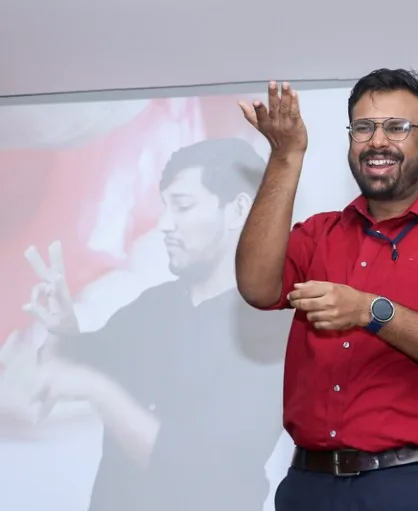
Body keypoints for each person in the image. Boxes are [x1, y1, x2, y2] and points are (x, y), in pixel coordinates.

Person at [235, 70, 418, 510]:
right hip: (309, 484)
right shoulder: (319, 233)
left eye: (398, 128)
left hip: (413, 485)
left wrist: (372, 311)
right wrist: (286, 157)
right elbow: (256, 287)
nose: (377, 142)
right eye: (364, 128)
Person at [22, 138, 294, 511]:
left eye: (182, 206)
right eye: (165, 207)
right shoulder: (151, 306)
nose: (164, 224)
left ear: (237, 211)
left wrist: (99, 389)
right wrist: (61, 328)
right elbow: (65, 368)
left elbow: (201, 469)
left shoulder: (272, 327)